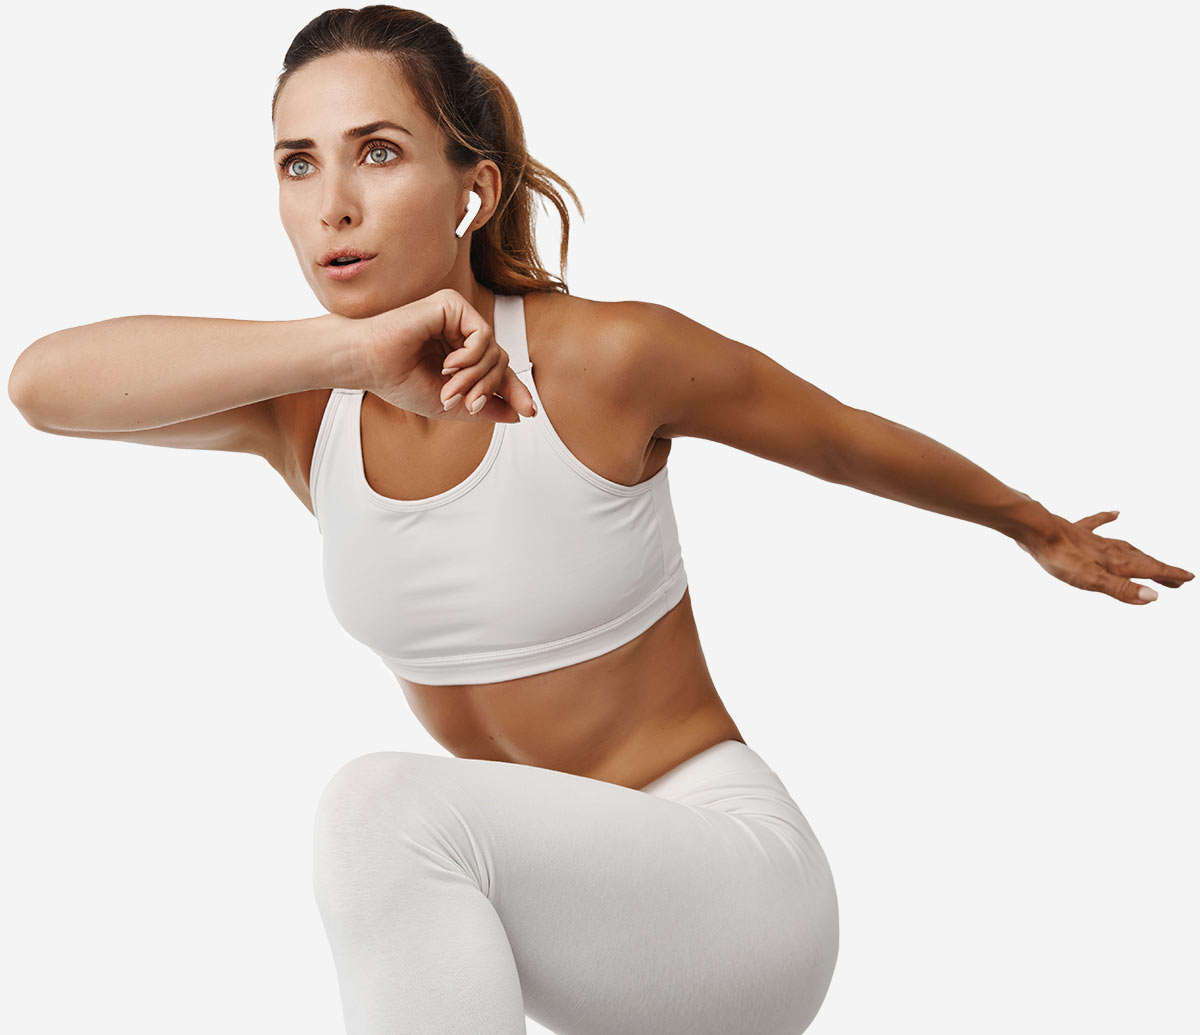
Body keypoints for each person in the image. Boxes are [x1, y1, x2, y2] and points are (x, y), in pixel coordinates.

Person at [8, 6, 1193, 1034]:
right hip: (563, 932)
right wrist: (355, 349)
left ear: (473, 186)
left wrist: (1029, 523)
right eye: (296, 164)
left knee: (379, 809)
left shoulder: (601, 359)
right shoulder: (302, 409)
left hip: (734, 896)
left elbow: (837, 435)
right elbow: (43, 386)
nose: (334, 205)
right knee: (391, 828)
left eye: (377, 152)